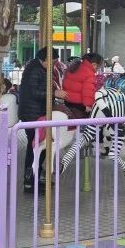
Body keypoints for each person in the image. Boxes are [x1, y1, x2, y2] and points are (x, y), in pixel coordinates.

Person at [18, 47, 67, 193]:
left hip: (39, 113)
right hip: (32, 114)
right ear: (44, 59)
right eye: (52, 61)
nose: (53, 64)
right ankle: (29, 181)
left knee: (42, 146)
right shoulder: (34, 70)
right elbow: (33, 92)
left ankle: (36, 177)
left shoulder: (41, 69)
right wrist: (54, 93)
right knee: (35, 147)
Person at [62, 53, 103, 119]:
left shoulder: (76, 66)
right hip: (79, 104)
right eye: (98, 67)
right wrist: (88, 105)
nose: (98, 69)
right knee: (83, 122)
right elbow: (88, 90)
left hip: (68, 101)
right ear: (94, 65)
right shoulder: (89, 73)